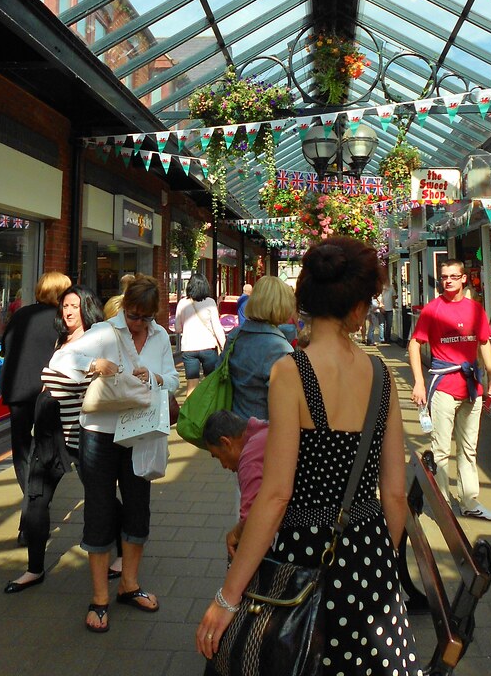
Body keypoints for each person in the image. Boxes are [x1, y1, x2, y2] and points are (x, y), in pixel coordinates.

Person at [196, 236, 420, 674]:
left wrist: (227, 598)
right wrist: (380, 559)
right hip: (369, 546)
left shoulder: (292, 372)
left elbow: (277, 494)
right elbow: (395, 494)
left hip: (305, 550)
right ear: (358, 308)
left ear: (306, 301)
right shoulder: (381, 375)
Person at [76, 274, 179, 633]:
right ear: (125, 305)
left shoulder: (160, 336)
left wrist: (154, 377)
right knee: (100, 508)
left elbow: (173, 379)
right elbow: (65, 361)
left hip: (140, 429)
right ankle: (99, 598)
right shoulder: (104, 331)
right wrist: (94, 366)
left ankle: (129, 585)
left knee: (137, 506)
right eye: (133, 315)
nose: (138, 323)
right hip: (100, 432)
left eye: (145, 317)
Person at [4, 285, 106, 594]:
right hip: (50, 432)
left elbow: (89, 375)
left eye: (75, 306)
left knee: (100, 496)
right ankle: (34, 569)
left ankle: (118, 554)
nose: (69, 311)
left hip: (82, 430)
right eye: (65, 305)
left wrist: (77, 370)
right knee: (37, 498)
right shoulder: (60, 338)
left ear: (87, 308)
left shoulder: (97, 340)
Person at [408, 259, 491, 520]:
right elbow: (414, 344)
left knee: (469, 449)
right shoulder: (432, 310)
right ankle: (442, 505)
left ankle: (469, 502)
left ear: (463, 279)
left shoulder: (475, 309)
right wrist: (418, 382)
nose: (448, 281)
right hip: (444, 387)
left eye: (453, 276)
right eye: (444, 277)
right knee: (440, 450)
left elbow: (484, 342)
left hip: (471, 387)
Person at [0, 272, 72, 509]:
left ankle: (31, 498)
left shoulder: (21, 314)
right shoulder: (62, 320)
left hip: (17, 387)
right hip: (46, 389)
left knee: (21, 445)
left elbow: (5, 347)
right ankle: (37, 499)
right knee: (48, 445)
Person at [219, 275, 295, 422]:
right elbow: (285, 405)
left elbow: (220, 370)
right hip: (264, 429)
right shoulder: (280, 349)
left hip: (233, 424)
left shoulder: (236, 335)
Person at [203, 410, 268, 559]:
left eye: (218, 456)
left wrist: (235, 534)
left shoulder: (249, 459)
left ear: (226, 442)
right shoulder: (259, 430)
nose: (224, 465)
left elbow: (251, 519)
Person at [174, 273, 225, 397]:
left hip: (189, 349)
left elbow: (177, 328)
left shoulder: (182, 303)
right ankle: (209, 407)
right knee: (210, 382)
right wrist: (224, 345)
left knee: (192, 385)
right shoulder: (210, 302)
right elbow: (217, 327)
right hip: (208, 347)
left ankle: (190, 408)